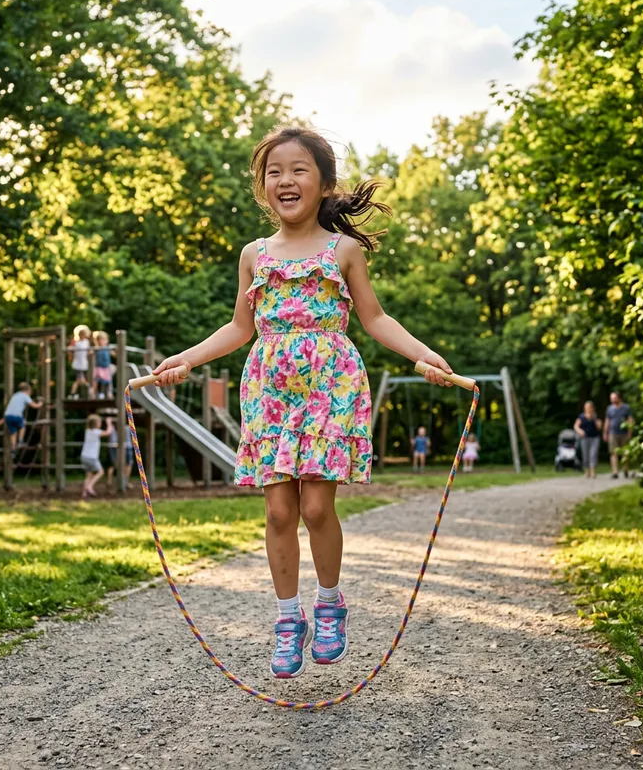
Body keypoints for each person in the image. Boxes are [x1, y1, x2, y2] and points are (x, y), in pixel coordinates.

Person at [151, 126, 453, 679]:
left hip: (329, 388)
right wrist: (187, 359)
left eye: (299, 169)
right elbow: (240, 327)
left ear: (324, 183)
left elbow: (376, 319)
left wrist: (426, 354)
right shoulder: (253, 255)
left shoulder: (344, 250)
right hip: (270, 390)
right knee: (278, 511)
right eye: (274, 172)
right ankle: (288, 621)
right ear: (263, 186)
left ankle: (330, 604)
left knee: (316, 509)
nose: (285, 179)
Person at [80, 414, 112, 498]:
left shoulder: (88, 431)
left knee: (89, 475)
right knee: (101, 472)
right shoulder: (95, 432)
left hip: (84, 456)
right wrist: (109, 423)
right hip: (92, 457)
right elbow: (108, 432)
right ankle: (89, 486)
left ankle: (84, 493)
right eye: (100, 422)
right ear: (96, 423)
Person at [4, 382, 44, 449]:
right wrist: (40, 404)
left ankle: (13, 448)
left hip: (7, 416)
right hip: (16, 415)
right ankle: (20, 441)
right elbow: (34, 405)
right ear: (27, 390)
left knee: (13, 432)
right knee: (23, 425)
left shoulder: (15, 395)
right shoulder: (25, 396)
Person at [604, 391, 633, 479]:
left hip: (624, 433)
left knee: (625, 453)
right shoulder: (609, 409)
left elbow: (630, 420)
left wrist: (629, 432)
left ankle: (625, 470)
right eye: (611, 398)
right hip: (613, 433)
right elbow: (607, 421)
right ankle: (615, 472)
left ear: (619, 398)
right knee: (613, 452)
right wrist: (605, 432)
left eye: (614, 398)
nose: (612, 400)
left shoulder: (626, 408)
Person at [574, 400, 602, 479]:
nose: (588, 409)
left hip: (595, 438)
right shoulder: (581, 416)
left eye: (589, 407)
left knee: (593, 454)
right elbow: (576, 426)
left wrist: (594, 418)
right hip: (585, 438)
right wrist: (580, 431)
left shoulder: (596, 416)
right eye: (586, 407)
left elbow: (599, 427)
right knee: (585, 455)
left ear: (592, 408)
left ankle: (593, 471)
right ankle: (587, 471)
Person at [106, 420, 134, 489]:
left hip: (113, 446)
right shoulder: (127, 428)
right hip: (126, 446)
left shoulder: (112, 428)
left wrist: (108, 423)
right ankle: (125, 481)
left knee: (115, 464)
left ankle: (110, 480)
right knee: (128, 464)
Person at [69, 324, 92, 399]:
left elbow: (88, 351)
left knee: (80, 380)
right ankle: (88, 391)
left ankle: (75, 393)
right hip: (78, 363)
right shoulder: (75, 342)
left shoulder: (86, 342)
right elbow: (70, 350)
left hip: (83, 363)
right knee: (80, 380)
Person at [92, 331, 113, 399]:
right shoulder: (97, 348)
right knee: (98, 380)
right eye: (101, 340)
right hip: (99, 367)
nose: (103, 341)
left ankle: (106, 393)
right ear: (97, 341)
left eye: (104, 339)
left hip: (106, 367)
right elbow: (91, 352)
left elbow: (113, 353)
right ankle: (97, 393)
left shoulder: (107, 348)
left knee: (107, 381)